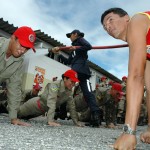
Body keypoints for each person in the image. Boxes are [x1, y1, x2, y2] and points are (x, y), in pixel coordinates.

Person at [101, 8, 150, 149]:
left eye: (110, 20)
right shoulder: (143, 46)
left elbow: (135, 76)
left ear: (126, 18)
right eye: (105, 27)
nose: (108, 26)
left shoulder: (137, 20)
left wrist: (129, 133)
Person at [50, 29, 101, 127]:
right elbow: (69, 61)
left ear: (75, 34)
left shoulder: (80, 40)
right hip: (77, 71)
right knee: (83, 92)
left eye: (70, 36)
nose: (70, 38)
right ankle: (63, 112)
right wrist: (59, 54)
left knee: (86, 93)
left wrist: (76, 48)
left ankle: (96, 117)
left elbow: (88, 46)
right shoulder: (73, 49)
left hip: (80, 70)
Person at [17, 69, 83, 127]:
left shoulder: (69, 92)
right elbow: (52, 101)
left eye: (75, 83)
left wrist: (76, 122)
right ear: (65, 79)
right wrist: (50, 120)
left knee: (24, 118)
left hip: (40, 112)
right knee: (17, 113)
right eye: (72, 81)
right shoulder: (55, 85)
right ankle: (7, 105)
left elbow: (72, 106)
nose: (73, 85)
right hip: (34, 105)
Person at [0, 26, 36, 126]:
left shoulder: (19, 61)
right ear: (13, 38)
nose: (22, 51)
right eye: (21, 45)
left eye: (27, 48)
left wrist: (13, 118)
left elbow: (14, 87)